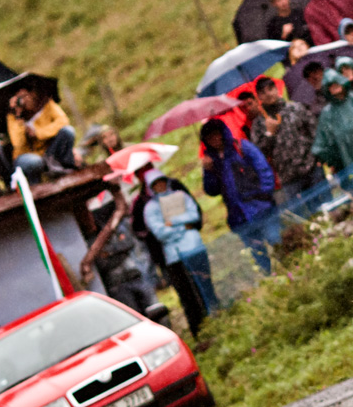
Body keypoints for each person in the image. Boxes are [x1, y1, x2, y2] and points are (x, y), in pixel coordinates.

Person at [143, 170, 219, 333]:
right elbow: (160, 232)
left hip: (194, 246)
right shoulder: (151, 208)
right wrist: (183, 227)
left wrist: (175, 223)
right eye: (156, 184)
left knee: (205, 282)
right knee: (188, 293)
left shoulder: (180, 196)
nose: (160, 186)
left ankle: (216, 316)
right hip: (174, 255)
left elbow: (194, 215)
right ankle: (199, 328)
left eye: (161, 182)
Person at [200, 119, 278, 274]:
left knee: (276, 242)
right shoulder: (211, 162)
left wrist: (263, 195)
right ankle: (272, 280)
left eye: (216, 135)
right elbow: (212, 190)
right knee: (258, 254)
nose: (214, 140)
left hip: (261, 208)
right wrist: (208, 172)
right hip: (240, 217)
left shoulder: (241, 147)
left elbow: (264, 170)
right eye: (209, 138)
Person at [82, 188, 158, 317]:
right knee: (134, 317)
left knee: (155, 310)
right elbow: (102, 263)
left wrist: (110, 253)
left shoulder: (111, 228)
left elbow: (127, 244)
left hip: (136, 276)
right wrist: (115, 253)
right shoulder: (89, 241)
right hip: (117, 286)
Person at [248, 76, 324, 204]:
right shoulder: (259, 124)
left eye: (270, 89)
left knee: (329, 208)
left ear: (276, 89)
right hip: (289, 178)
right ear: (259, 97)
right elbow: (260, 154)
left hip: (312, 168)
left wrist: (318, 156)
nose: (268, 94)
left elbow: (315, 132)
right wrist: (269, 133)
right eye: (263, 92)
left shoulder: (296, 108)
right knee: (306, 219)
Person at [6, 86, 78, 183]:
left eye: (24, 96)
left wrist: (38, 133)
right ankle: (36, 187)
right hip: (26, 157)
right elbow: (17, 143)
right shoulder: (13, 117)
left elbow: (63, 121)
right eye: (19, 99)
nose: (23, 101)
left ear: (33, 94)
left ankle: (66, 170)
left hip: (49, 153)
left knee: (68, 131)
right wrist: (18, 117)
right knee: (35, 162)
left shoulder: (46, 104)